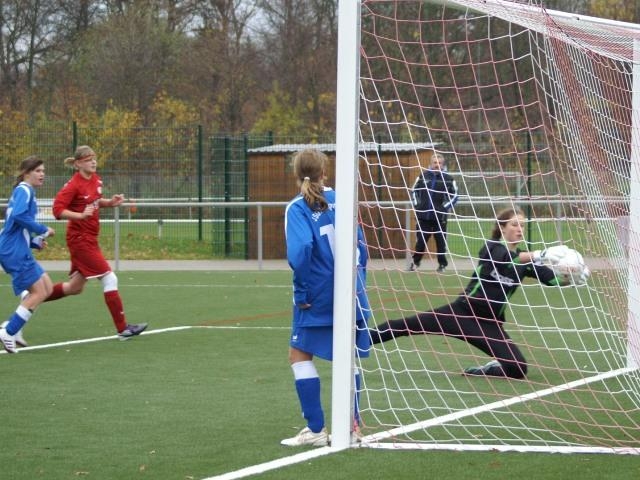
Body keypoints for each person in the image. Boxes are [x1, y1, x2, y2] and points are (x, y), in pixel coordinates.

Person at [370, 207, 584, 379]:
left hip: (489, 324)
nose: (520, 229)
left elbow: (552, 280)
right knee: (405, 326)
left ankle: (488, 369)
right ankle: (359, 340)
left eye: (522, 225)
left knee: (518, 369)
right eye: (514, 224)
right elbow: (506, 260)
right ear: (502, 227)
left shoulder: (526, 262)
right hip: (461, 313)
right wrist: (540, 253)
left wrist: (572, 277)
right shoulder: (491, 248)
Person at [281, 149, 371, 447]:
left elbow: (300, 251)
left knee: (299, 354)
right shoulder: (345, 200)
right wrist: (358, 286)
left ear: (296, 174)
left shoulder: (298, 207)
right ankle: (352, 426)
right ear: (325, 171)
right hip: (351, 291)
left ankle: (316, 429)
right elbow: (363, 249)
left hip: (317, 295)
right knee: (348, 357)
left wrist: (302, 292)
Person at [21, 145, 147, 341]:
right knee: (110, 278)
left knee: (74, 288)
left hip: (90, 239)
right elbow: (57, 210)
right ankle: (123, 329)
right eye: (88, 159)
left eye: (94, 158)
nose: (93, 162)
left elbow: (94, 202)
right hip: (80, 241)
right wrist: (80, 215)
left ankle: (31, 298)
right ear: (78, 164)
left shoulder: (96, 180)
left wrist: (109, 202)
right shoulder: (73, 185)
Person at [0, 156, 56, 353]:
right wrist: (42, 229)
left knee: (47, 288)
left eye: (43, 171)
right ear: (26, 173)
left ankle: (13, 326)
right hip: (13, 251)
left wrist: (34, 242)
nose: (42, 174)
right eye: (38, 171)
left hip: (16, 247)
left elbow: (15, 226)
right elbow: (19, 216)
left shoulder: (24, 191)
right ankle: (9, 331)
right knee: (38, 292)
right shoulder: (24, 190)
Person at [408, 152, 459, 273]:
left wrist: (444, 207)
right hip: (423, 217)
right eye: (435, 163)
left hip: (440, 218)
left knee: (441, 243)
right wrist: (418, 205)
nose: (437, 165)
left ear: (443, 164)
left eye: (440, 163)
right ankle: (415, 262)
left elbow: (455, 196)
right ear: (431, 164)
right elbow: (413, 191)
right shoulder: (423, 176)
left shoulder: (448, 179)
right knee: (420, 242)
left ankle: (442, 265)